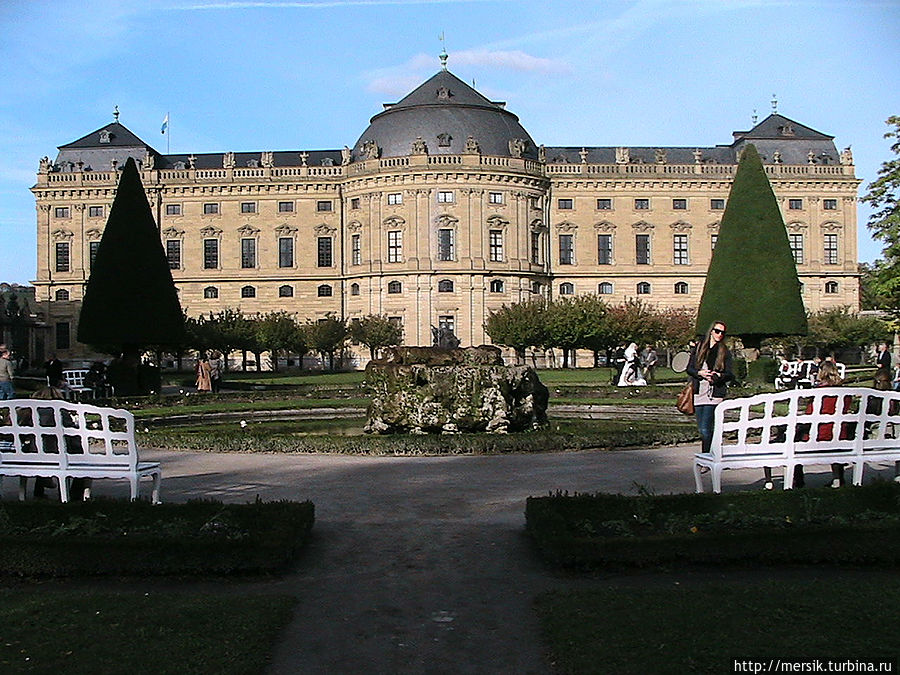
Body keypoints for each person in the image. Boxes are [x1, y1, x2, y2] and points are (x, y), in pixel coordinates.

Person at [686, 321, 734, 455]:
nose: (719, 335)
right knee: (702, 429)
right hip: (698, 392)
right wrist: (699, 373)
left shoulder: (724, 351)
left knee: (706, 429)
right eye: (717, 331)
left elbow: (730, 374)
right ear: (711, 331)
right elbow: (689, 369)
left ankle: (706, 456)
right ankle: (713, 452)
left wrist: (718, 375)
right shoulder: (700, 348)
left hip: (714, 395)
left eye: (722, 333)